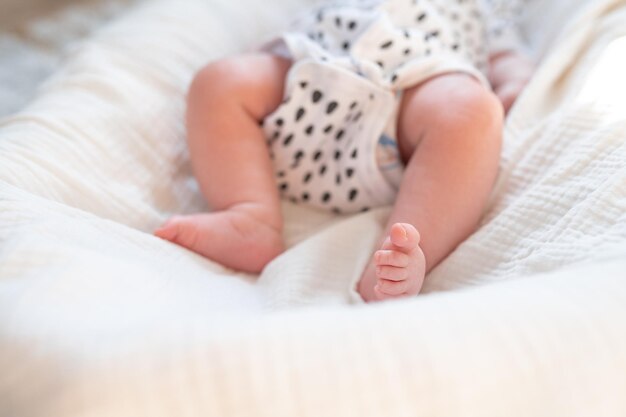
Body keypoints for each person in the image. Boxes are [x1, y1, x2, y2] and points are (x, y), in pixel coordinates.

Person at [154, 0, 535, 302]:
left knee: (472, 112)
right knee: (218, 81)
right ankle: (250, 216)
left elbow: (506, 54)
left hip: (406, 101)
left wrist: (513, 81)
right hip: (307, 79)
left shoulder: (484, 6)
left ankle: (404, 255)